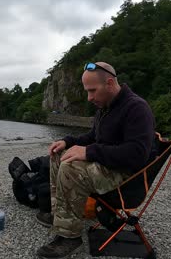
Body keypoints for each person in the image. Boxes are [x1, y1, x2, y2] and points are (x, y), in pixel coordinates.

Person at [36, 62, 156, 258]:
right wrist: (66, 141)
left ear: (109, 83)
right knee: (59, 155)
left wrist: (89, 152)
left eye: (92, 91)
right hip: (108, 164)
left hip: (126, 175)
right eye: (87, 91)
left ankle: (69, 237)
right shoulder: (106, 106)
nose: (89, 98)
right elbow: (92, 137)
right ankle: (61, 216)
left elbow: (137, 153)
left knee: (71, 168)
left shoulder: (136, 108)